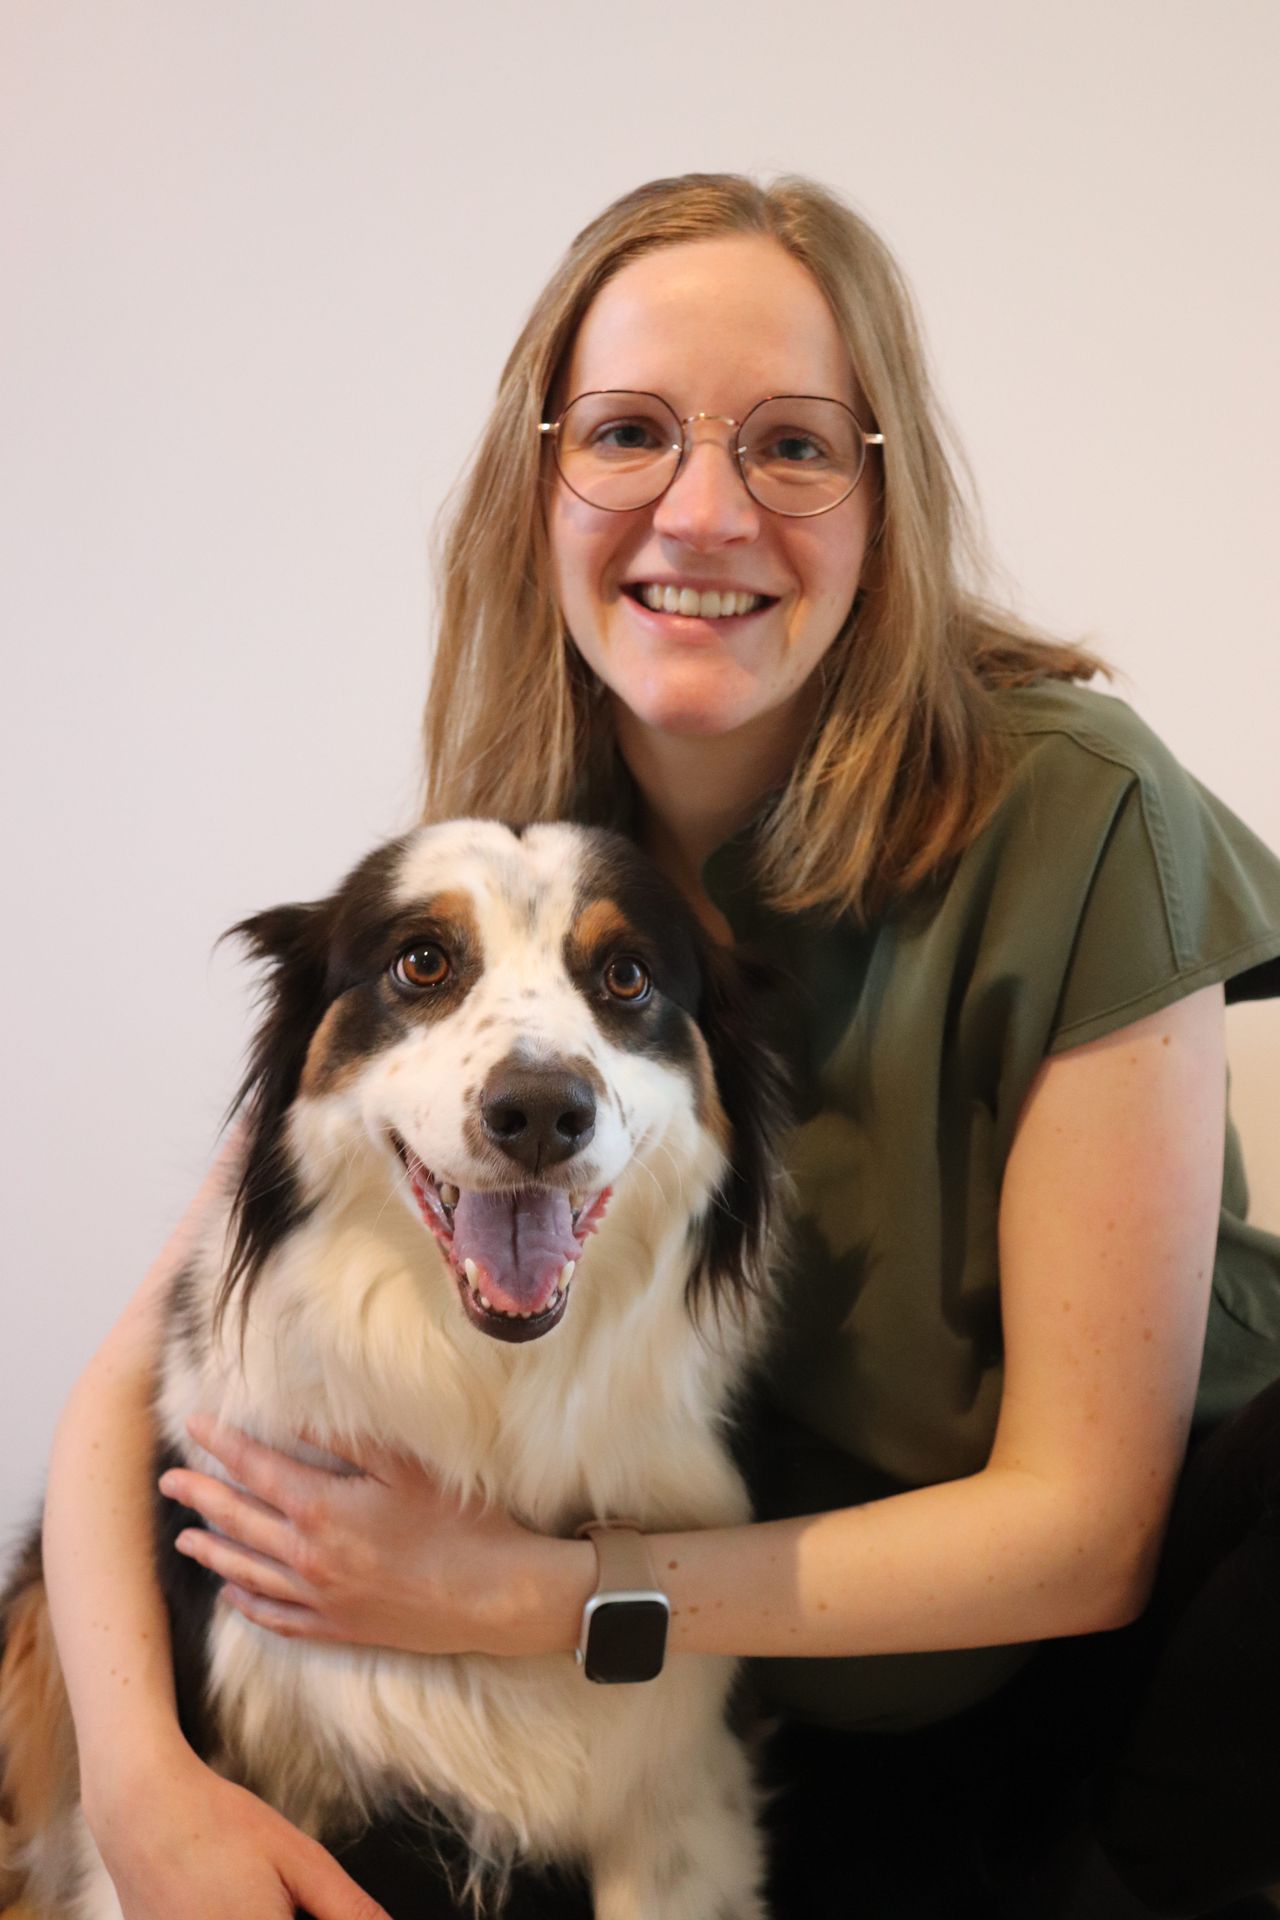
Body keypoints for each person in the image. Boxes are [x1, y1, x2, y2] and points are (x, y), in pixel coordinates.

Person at [31, 173, 1280, 1920]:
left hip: (1138, 1680)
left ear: (882, 496)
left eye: (790, 445)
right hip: (755, 1697)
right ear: (538, 486)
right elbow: (139, 1371)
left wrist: (539, 1596)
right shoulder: (519, 867)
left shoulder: (1085, 813)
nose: (704, 511)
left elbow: (1087, 1533)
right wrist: (146, 1793)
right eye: (628, 433)